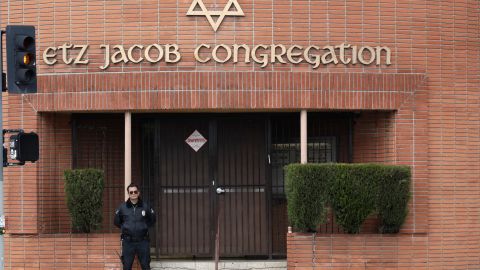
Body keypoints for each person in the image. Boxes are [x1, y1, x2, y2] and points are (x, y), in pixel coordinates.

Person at [114, 183, 156, 270]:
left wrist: (144, 226)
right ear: (128, 193)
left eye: (135, 191)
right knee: (127, 266)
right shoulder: (122, 207)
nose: (133, 194)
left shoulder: (145, 206)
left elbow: (152, 219)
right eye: (131, 192)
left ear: (138, 193)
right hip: (128, 242)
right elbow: (117, 222)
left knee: (145, 266)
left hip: (143, 241)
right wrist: (125, 227)